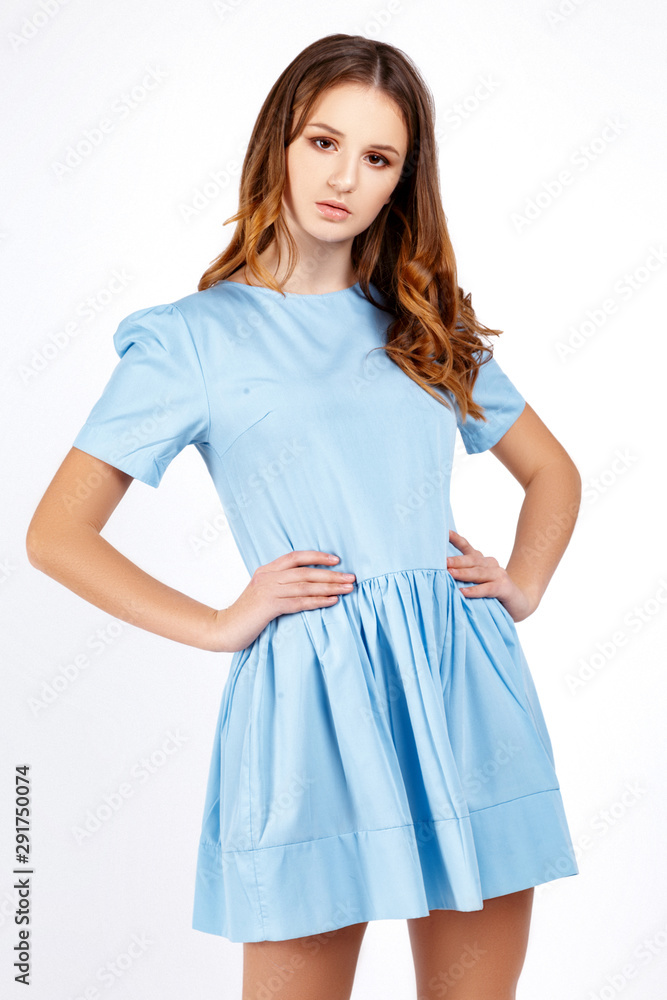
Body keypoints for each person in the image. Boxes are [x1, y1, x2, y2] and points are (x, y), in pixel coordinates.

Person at [26, 33, 581, 1000]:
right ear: (279, 141)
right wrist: (216, 623)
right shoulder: (190, 342)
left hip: (462, 687)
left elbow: (554, 474)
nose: (343, 178)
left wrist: (522, 585)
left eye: (377, 159)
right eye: (324, 143)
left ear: (401, 183)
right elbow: (55, 534)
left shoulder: (425, 324)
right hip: (309, 707)